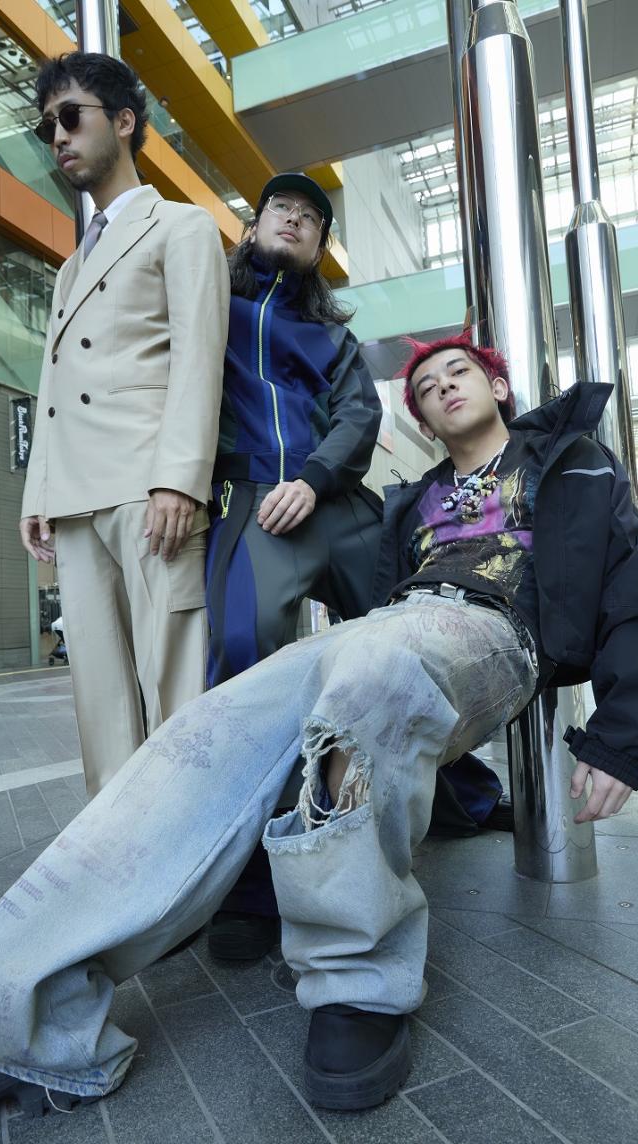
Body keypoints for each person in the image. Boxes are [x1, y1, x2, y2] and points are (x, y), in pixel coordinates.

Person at [0, 335, 638, 1137]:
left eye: (460, 372)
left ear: (499, 386)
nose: (445, 386)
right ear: (419, 420)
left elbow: (637, 585)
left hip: (495, 631)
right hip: (387, 624)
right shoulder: (409, 501)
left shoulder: (573, 463)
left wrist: (623, 739)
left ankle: (355, 980)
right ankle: (2, 1010)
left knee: (376, 677)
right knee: (205, 727)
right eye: (425, 386)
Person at [19, 52, 229, 796]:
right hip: (75, 502)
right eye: (48, 126)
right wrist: (37, 492)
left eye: (72, 117)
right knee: (99, 703)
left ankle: (191, 846)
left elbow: (199, 358)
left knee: (176, 690)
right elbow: (51, 386)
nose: (59, 136)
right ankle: (117, 849)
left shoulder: (183, 226)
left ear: (126, 121)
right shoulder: (70, 268)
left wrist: (180, 479)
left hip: (148, 491)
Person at [206, 172, 384, 959]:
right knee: (244, 652)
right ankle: (251, 884)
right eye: (282, 207)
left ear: (319, 246)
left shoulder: (333, 338)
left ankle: (463, 796)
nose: (296, 219)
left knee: (416, 626)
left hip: (333, 499)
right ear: (253, 226)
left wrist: (314, 479)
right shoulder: (214, 303)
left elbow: (360, 413)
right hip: (252, 502)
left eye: (312, 217)